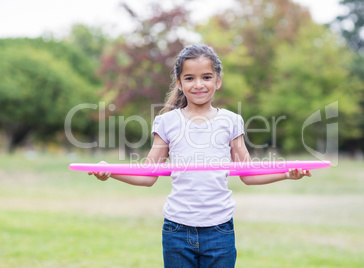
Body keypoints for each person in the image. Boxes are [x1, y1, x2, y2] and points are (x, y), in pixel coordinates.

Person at [89, 43, 312, 267]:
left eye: (206, 77)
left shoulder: (231, 121)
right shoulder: (167, 122)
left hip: (219, 230)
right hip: (176, 230)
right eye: (189, 78)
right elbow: (148, 176)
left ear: (218, 81)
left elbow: (248, 174)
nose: (198, 85)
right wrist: (110, 171)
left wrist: (287, 174)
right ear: (179, 82)